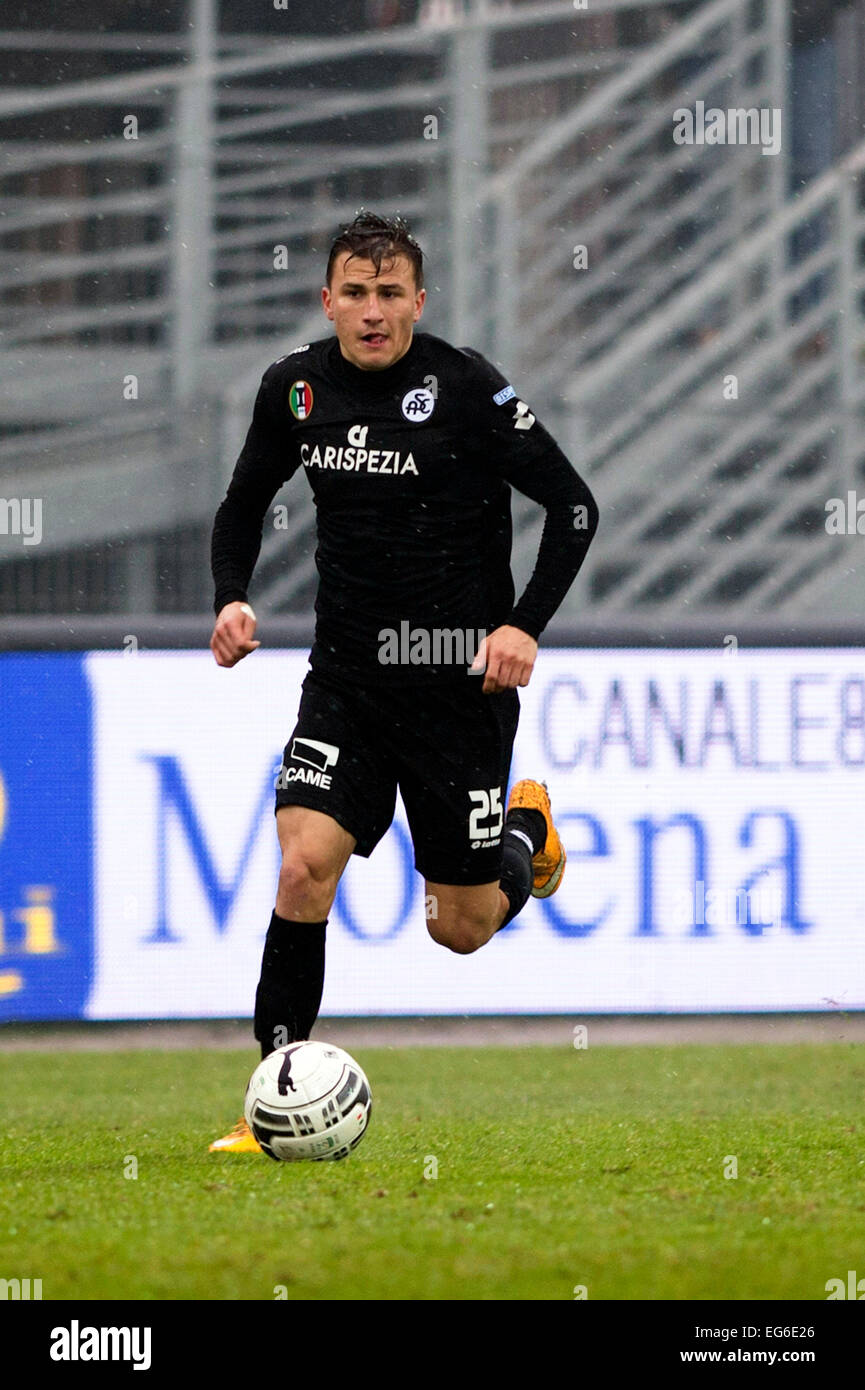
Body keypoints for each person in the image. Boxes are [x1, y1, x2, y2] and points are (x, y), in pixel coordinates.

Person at [208, 211, 598, 1152]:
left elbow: (575, 507)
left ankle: (524, 837)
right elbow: (243, 502)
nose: (372, 312)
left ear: (417, 302)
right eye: (355, 292)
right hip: (344, 682)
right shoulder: (294, 390)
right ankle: (270, 1104)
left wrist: (520, 626)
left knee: (458, 930)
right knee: (302, 868)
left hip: (457, 694)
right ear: (327, 299)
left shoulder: (467, 389)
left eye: (390, 295)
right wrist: (230, 598)